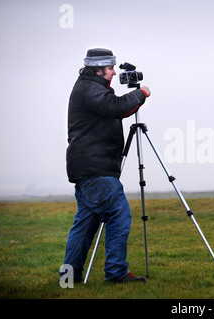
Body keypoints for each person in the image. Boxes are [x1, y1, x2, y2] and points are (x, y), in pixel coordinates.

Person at [61, 48, 151, 283]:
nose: (113, 73)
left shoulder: (88, 87)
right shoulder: (89, 89)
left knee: (85, 224)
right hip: (96, 169)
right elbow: (117, 108)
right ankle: (116, 272)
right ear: (98, 69)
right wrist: (141, 93)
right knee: (119, 214)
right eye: (110, 68)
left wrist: (133, 98)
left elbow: (115, 106)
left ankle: (69, 277)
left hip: (87, 168)